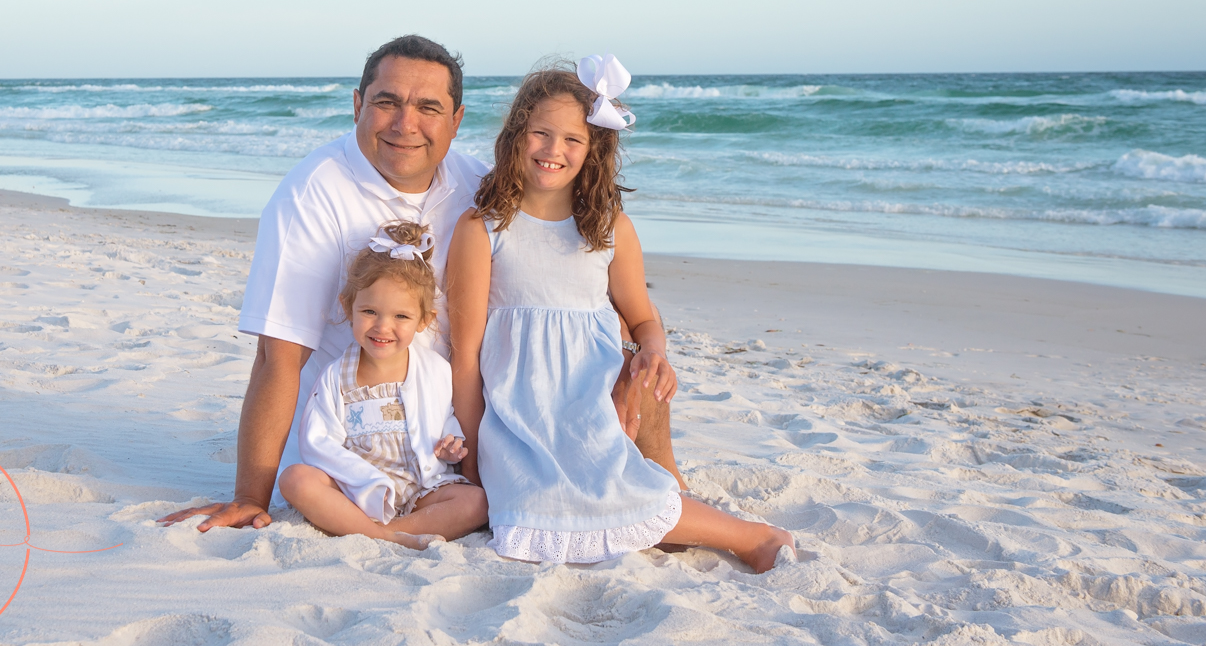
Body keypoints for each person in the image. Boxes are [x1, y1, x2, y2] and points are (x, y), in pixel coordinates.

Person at [156, 35, 681, 534]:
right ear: (357, 104)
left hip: (465, 424)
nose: (406, 124)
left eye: (428, 108)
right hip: (359, 434)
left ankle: (667, 491)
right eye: (387, 102)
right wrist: (250, 496)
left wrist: (633, 351)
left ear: (455, 121)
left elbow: (570, 284)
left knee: (637, 360)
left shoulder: (482, 189)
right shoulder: (312, 196)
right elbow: (278, 355)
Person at [447, 57, 795, 571]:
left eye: (572, 140)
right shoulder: (483, 228)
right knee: (529, 509)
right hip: (519, 414)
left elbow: (643, 319)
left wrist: (654, 353)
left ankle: (753, 537)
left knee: (614, 485)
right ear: (517, 134)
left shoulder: (609, 228)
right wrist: (474, 457)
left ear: (594, 150)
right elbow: (467, 353)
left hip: (589, 397)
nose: (554, 151)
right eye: (541, 133)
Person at [279, 221, 489, 548]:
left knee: (477, 501)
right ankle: (383, 534)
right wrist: (365, 481)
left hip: (421, 488)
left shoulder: (434, 369)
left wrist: (452, 446)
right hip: (358, 489)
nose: (382, 327)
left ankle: (390, 532)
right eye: (369, 311)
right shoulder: (336, 376)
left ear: (424, 320)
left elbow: (443, 415)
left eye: (400, 317)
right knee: (295, 480)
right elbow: (317, 442)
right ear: (348, 308)